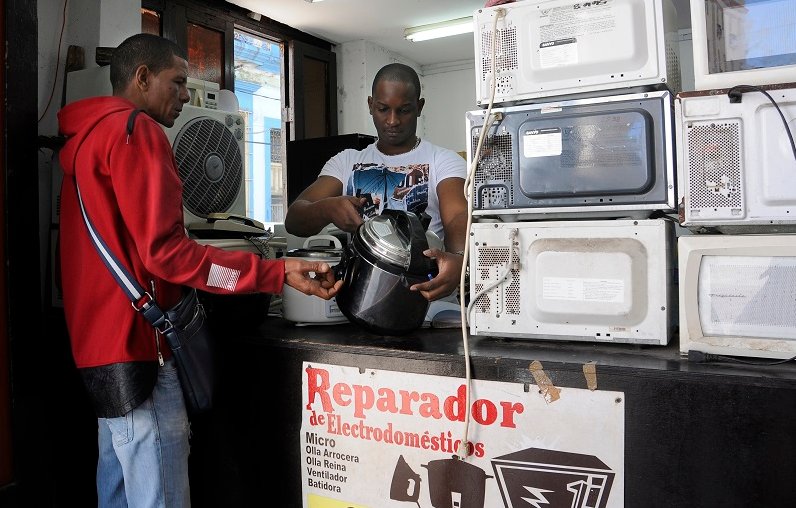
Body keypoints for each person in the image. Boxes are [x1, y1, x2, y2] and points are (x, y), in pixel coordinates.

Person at [57, 33, 342, 508]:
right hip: (141, 349)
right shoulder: (137, 132)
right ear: (143, 77)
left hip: (97, 347)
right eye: (178, 82)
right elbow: (167, 255)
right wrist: (273, 272)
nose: (187, 97)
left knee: (119, 484)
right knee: (161, 494)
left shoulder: (85, 139)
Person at [284, 63, 468, 302]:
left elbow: (457, 217)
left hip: (425, 305)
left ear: (420, 107)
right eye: (383, 109)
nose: (392, 121)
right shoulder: (346, 162)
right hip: (361, 300)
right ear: (371, 105)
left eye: (404, 110)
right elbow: (294, 219)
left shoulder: (443, 160)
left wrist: (459, 259)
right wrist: (327, 208)